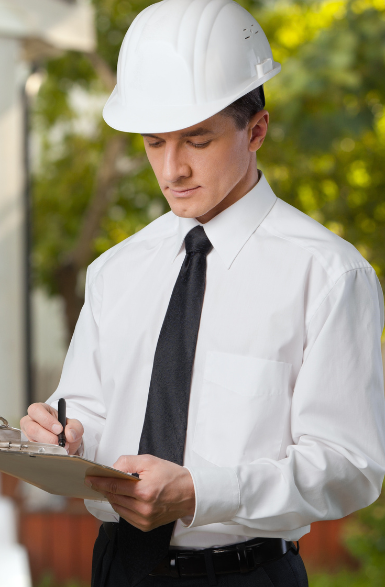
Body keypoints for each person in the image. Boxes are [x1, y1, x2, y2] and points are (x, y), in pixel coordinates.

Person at [20, 1, 385, 585]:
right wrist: (56, 438)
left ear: (256, 130)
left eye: (197, 140)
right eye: (155, 142)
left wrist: (199, 493)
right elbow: (84, 411)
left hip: (242, 574)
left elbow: (348, 467)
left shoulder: (328, 274)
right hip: (115, 568)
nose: (172, 170)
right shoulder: (116, 271)